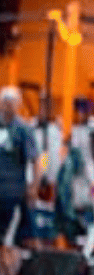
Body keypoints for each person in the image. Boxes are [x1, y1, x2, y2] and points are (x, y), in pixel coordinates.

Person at [0, 85, 38, 247]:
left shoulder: (24, 130)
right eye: (5, 102)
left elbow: (38, 160)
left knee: (10, 238)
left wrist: (34, 187)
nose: (9, 106)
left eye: (12, 103)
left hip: (13, 194)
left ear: (18, 105)